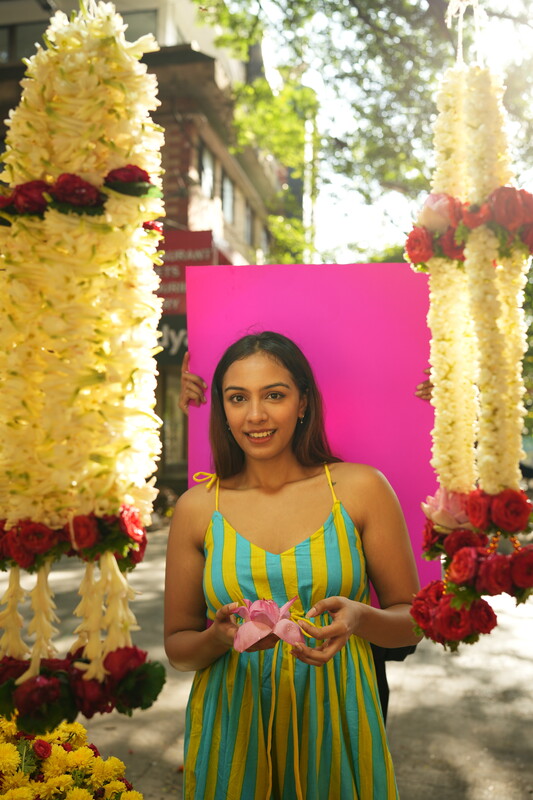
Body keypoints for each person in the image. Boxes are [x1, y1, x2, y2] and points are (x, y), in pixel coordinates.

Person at [165, 331, 422, 799]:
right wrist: (217, 638)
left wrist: (361, 618)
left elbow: (413, 622)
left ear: (303, 402)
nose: (256, 415)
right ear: (221, 408)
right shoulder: (197, 507)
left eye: (275, 395)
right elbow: (180, 650)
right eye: (238, 398)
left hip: (340, 720)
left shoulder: (360, 488)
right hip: (234, 726)